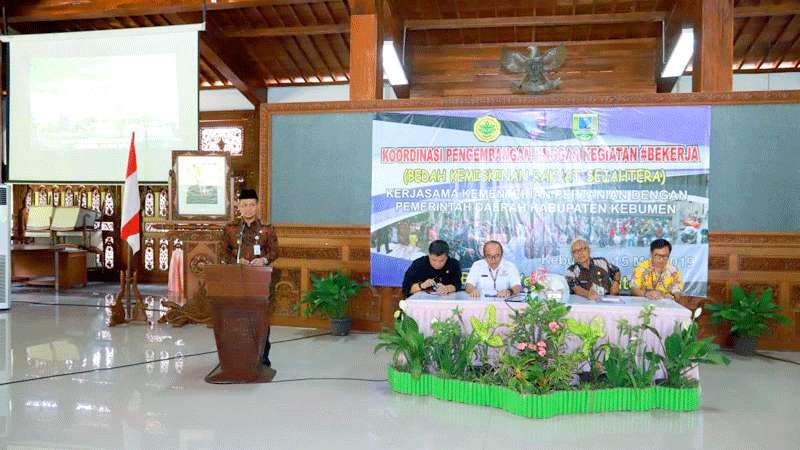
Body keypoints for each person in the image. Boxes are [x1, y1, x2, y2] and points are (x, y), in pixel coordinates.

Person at [221, 188, 278, 366]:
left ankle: (263, 356)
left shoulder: (267, 229)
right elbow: (222, 253)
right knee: (238, 317)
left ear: (257, 206)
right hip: (237, 280)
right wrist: (237, 261)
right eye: (244, 205)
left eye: (252, 205)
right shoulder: (230, 229)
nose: (248, 209)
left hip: (260, 280)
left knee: (260, 318)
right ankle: (239, 354)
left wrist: (264, 259)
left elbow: (275, 251)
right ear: (239, 207)